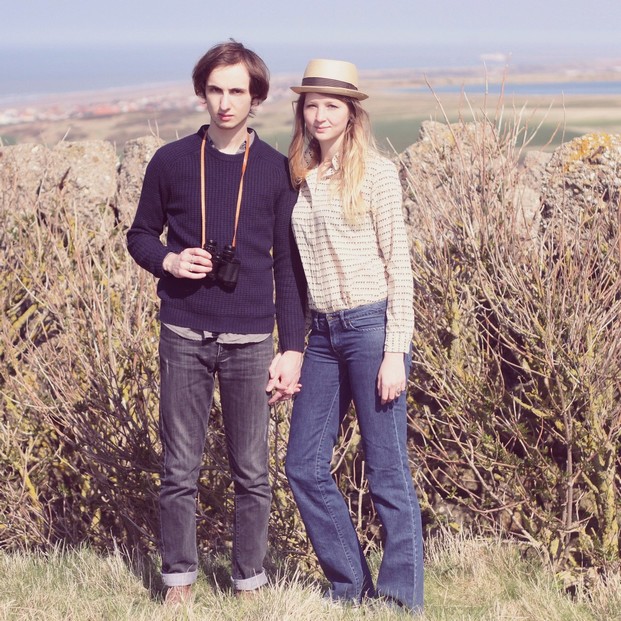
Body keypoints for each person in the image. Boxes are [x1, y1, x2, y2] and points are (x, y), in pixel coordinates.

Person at [126, 40, 306, 604]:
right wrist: (171, 261)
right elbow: (138, 235)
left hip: (252, 339)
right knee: (180, 467)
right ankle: (179, 580)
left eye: (237, 91)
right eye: (216, 90)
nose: (225, 103)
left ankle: (249, 580)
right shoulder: (171, 161)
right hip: (182, 331)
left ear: (256, 98)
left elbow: (289, 271)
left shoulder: (278, 170)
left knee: (252, 471)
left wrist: (293, 347)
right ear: (202, 93)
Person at [284, 59, 424, 612]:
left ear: (351, 113)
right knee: (302, 465)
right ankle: (349, 585)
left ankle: (398, 598)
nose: (319, 115)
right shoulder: (302, 178)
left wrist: (395, 352)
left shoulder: (379, 175)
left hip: (372, 329)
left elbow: (401, 270)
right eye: (311, 105)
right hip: (320, 334)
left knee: (387, 467)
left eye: (331, 106)